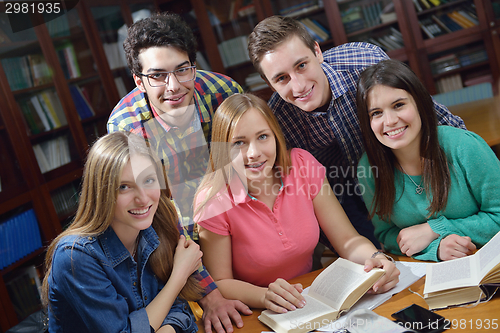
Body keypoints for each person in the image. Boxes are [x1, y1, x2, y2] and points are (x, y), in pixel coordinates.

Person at [247, 15, 466, 250]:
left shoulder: (366, 63)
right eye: (282, 78)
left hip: (402, 178)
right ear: (269, 84)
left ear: (317, 51)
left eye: (302, 65)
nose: (299, 86)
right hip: (343, 201)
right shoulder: (277, 120)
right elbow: (296, 198)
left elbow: (438, 121)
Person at [107, 13, 251, 333]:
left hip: (235, 225)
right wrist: (209, 294)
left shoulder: (224, 93)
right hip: (174, 248)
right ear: (139, 80)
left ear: (193, 66)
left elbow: (248, 173)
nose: (173, 87)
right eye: (157, 75)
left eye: (182, 70)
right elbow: (158, 217)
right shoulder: (127, 128)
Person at [193, 93, 399, 313]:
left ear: (276, 137)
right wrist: (264, 296)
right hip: (260, 311)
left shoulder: (301, 164)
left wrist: (375, 258)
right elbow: (220, 282)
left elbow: (347, 241)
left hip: (315, 297)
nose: (254, 153)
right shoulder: (213, 201)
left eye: (263, 137)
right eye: (239, 143)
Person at [41, 132, 203, 332]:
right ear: (102, 193)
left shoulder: (155, 223)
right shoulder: (74, 257)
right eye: (124, 187)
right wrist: (179, 276)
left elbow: (180, 310)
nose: (143, 199)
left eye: (149, 180)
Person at [356, 59, 500, 262]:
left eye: (398, 105)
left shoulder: (464, 146)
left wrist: (436, 229)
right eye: (376, 113)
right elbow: (386, 235)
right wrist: (435, 248)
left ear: (420, 104)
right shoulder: (369, 169)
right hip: (433, 273)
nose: (389, 121)